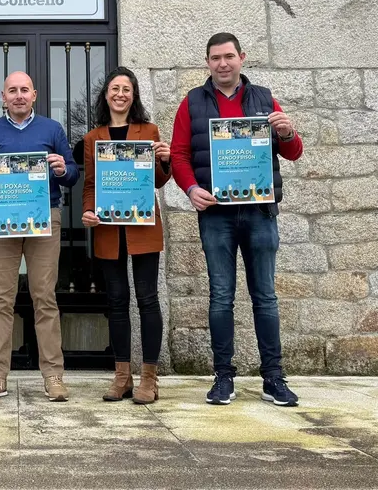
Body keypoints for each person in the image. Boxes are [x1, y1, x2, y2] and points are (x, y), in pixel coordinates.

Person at [170, 32, 304, 407]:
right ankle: (223, 377)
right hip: (216, 216)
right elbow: (179, 154)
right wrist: (191, 189)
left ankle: (273, 378)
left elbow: (293, 152)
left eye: (229, 56)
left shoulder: (264, 98)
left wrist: (288, 132)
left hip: (260, 213)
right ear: (207, 63)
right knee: (221, 297)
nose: (223, 64)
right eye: (215, 58)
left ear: (242, 58)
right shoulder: (192, 103)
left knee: (265, 296)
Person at [0, 71, 79, 402]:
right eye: (12, 91)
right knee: (1, 299)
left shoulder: (52, 129)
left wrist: (62, 168)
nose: (19, 96)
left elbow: (72, 174)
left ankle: (53, 376)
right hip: (2, 220)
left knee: (44, 297)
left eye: (24, 90)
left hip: (45, 218)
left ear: (34, 95)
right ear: (3, 97)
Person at [81, 67, 171, 404]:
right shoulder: (93, 138)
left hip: (142, 227)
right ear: (106, 95)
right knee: (117, 302)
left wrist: (164, 161)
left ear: (133, 96)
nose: (120, 94)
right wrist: (88, 211)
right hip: (107, 230)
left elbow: (159, 181)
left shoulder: (148, 131)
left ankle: (149, 378)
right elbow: (90, 184)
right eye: (114, 88)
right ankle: (122, 378)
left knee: (147, 300)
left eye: (127, 89)